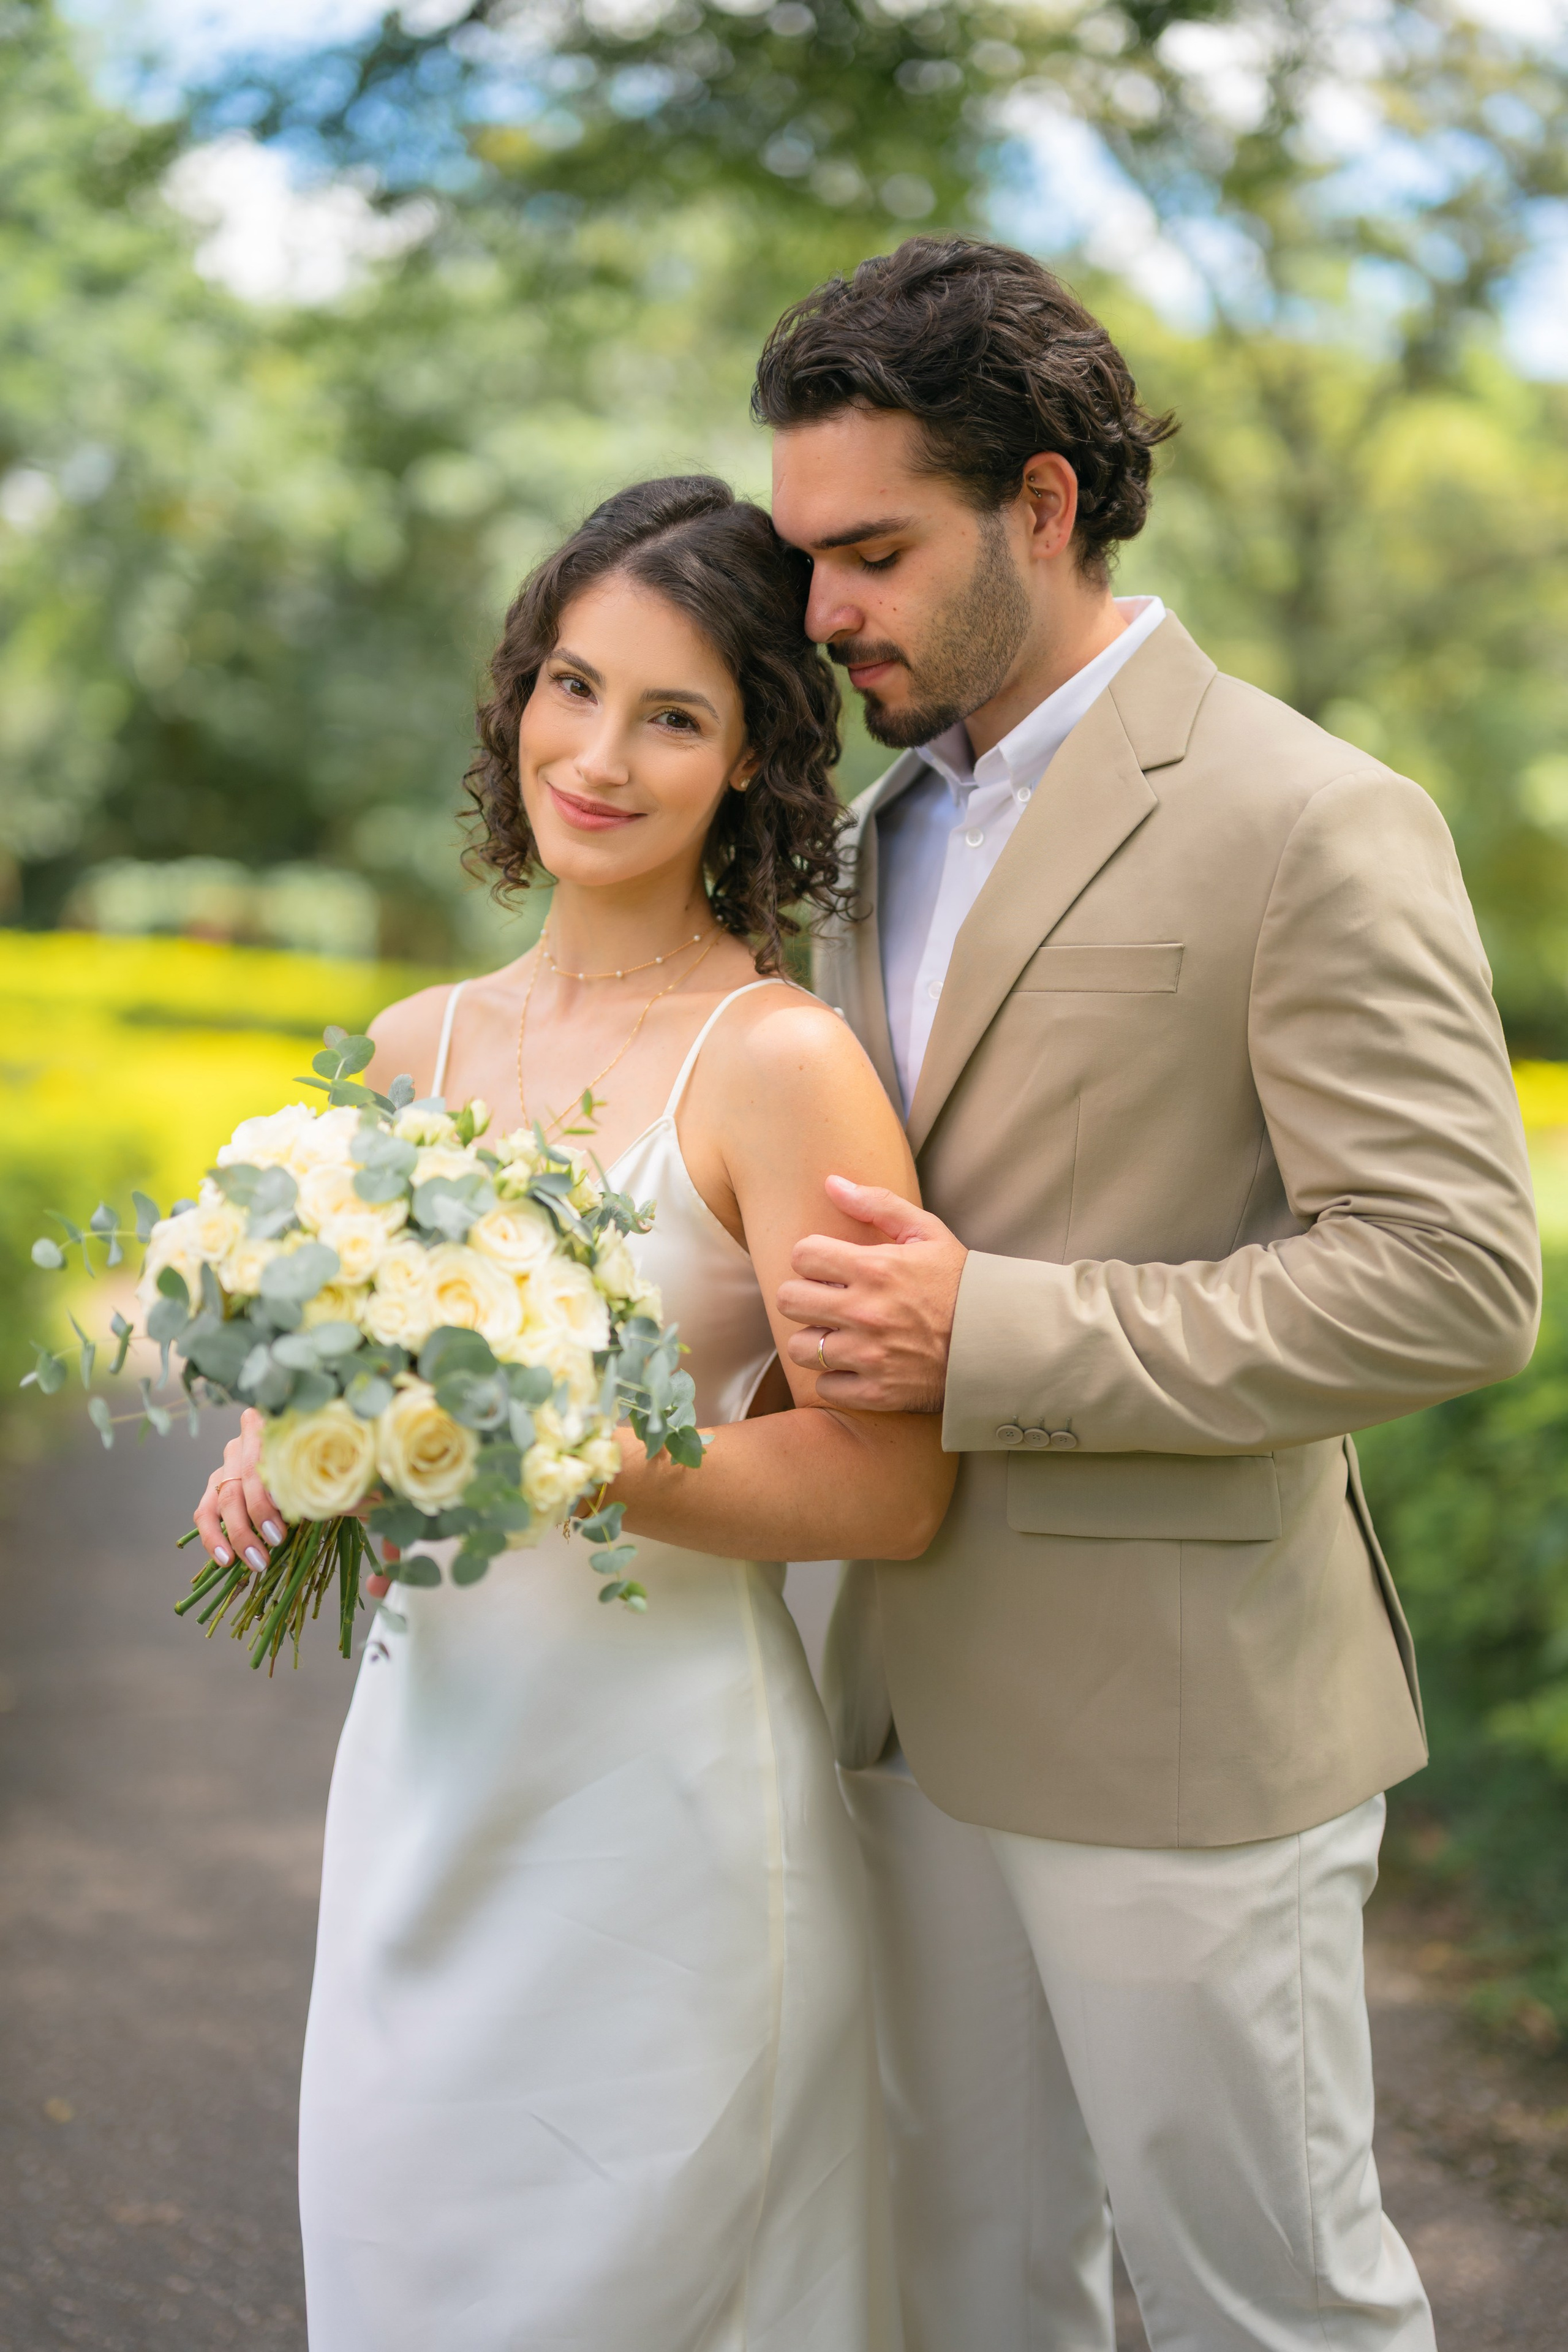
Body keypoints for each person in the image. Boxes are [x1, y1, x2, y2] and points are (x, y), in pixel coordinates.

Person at [758, 238, 1542, 2352]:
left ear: (1041, 504)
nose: (823, 613)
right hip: (884, 1698)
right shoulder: (857, 838)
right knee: (973, 2291)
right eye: (804, 557)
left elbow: (1456, 1280)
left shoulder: (1315, 819)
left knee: (1267, 2307)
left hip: (1188, 1725)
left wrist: (988, 1333)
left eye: (872, 553)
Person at [194, 476, 955, 2351]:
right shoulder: (411, 1051)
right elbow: (357, 1374)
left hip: (664, 1818)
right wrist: (290, 1448)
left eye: (673, 715)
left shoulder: (779, 1064)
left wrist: (592, 1460)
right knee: (402, 2271)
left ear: (756, 759)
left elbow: (889, 1488)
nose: (598, 755)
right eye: (571, 684)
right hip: (426, 1775)